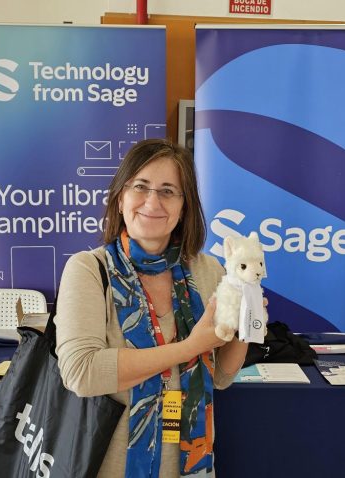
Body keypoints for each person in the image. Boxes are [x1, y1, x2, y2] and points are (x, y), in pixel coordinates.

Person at [55, 139, 250, 478]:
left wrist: (246, 321)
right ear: (120, 199)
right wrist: (190, 347)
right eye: (140, 187)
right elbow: (81, 372)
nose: (152, 201)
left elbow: (221, 377)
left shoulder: (209, 271)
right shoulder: (88, 269)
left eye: (168, 191)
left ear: (184, 207)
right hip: (110, 467)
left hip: (190, 466)